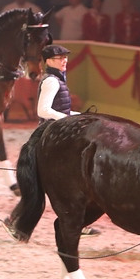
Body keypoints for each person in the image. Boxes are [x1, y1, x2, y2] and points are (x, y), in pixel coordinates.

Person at [35, 45, 99, 236]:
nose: (64, 61)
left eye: (65, 58)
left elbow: (60, 110)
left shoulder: (58, 80)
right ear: (48, 61)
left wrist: (80, 116)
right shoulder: (52, 82)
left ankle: (79, 222)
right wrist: (69, 119)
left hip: (58, 131)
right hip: (51, 135)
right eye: (58, 58)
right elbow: (43, 111)